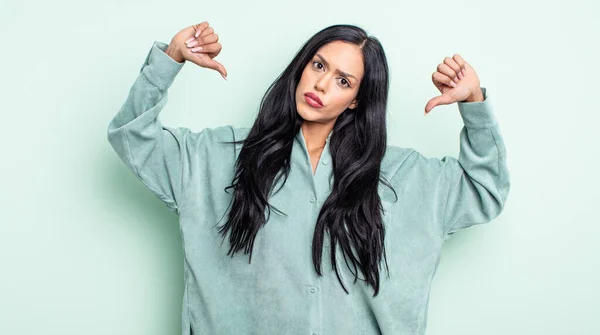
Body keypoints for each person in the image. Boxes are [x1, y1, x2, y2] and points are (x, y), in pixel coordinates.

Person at [107, 21, 510, 335]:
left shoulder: (404, 176)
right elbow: (132, 137)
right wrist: (170, 60)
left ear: (356, 100)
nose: (320, 83)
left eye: (343, 80)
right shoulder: (217, 157)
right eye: (319, 65)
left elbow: (483, 191)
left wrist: (474, 104)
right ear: (302, 66)